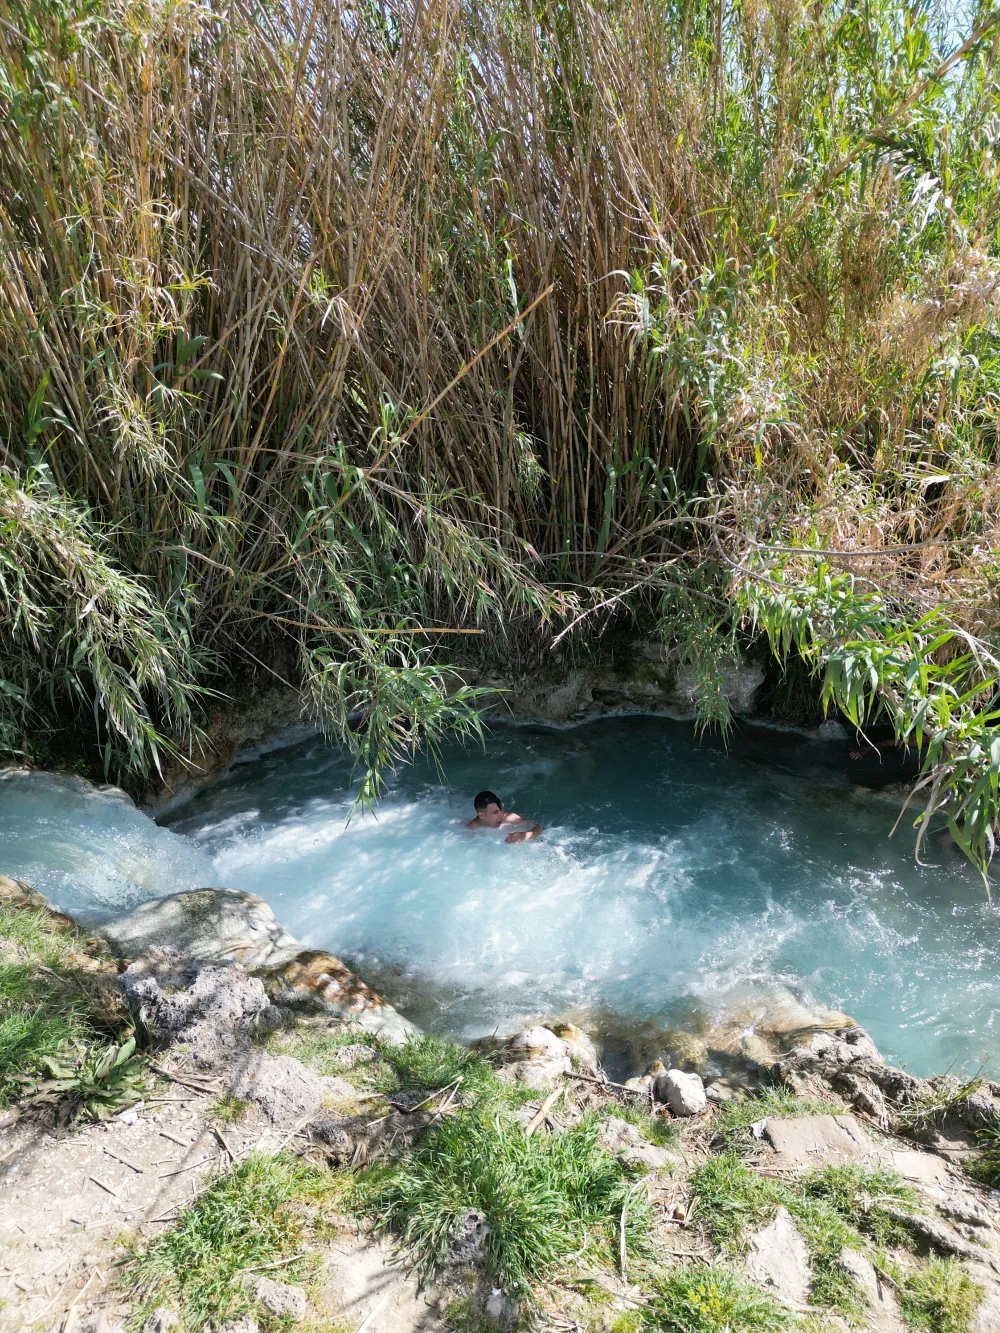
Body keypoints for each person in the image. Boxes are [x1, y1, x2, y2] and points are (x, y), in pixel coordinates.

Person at [466, 790, 542, 844]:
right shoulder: (470, 832)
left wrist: (524, 835)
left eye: (500, 810)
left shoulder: (508, 818)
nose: (502, 815)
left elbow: (539, 828)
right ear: (482, 815)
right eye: (495, 812)